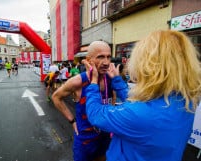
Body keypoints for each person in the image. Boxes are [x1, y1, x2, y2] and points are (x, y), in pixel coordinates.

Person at [83, 30, 201, 161]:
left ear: (149, 66)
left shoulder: (139, 114)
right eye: (101, 57)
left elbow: (96, 114)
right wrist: (117, 80)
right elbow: (143, 103)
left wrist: (93, 83)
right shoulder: (185, 100)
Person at [52, 41, 122, 161]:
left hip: (105, 135)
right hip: (85, 139)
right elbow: (56, 97)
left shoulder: (110, 79)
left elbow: (114, 100)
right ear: (89, 60)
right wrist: (72, 121)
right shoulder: (78, 81)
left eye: (108, 57)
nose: (106, 62)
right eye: (100, 57)